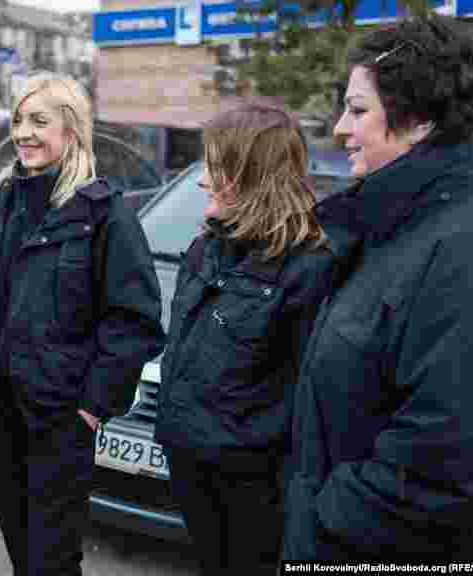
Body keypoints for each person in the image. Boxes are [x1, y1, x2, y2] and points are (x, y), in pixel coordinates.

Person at [283, 15, 473, 560]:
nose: (339, 129)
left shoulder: (462, 247)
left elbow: (447, 455)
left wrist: (326, 515)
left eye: (357, 111)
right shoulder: (391, 225)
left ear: (419, 120)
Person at [0, 71, 166, 576]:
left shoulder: (103, 214)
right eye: (19, 120)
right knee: (24, 554)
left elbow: (134, 322)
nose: (23, 132)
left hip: (57, 420)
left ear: (72, 130)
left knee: (52, 560)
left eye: (39, 121)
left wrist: (91, 409)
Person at [155, 104, 335, 575]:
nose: (201, 180)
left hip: (254, 489)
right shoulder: (206, 248)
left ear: (251, 176)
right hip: (190, 464)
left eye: (215, 167)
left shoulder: (310, 269)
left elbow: (312, 407)